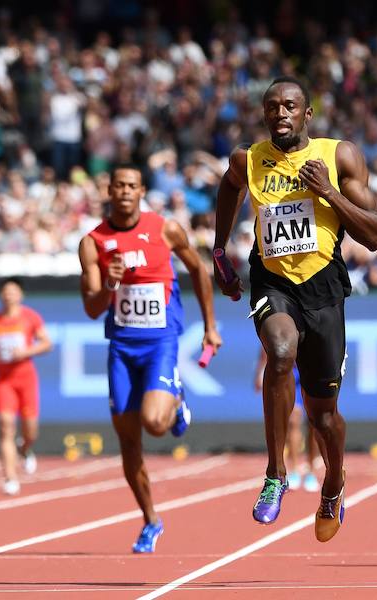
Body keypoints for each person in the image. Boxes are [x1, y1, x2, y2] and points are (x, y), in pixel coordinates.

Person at [213, 76, 377, 542]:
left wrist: (329, 192)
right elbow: (230, 188)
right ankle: (275, 473)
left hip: (324, 287)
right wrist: (218, 249)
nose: (280, 114)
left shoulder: (340, 155)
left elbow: (374, 234)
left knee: (324, 416)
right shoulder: (248, 159)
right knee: (280, 351)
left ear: (307, 114)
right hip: (273, 279)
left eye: (290, 106)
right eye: (272, 107)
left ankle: (334, 481)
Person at [78, 165, 221, 553]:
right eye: (118, 185)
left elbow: (198, 270)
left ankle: (175, 407)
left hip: (161, 342)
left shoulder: (165, 228)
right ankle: (150, 520)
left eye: (132, 186)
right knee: (129, 443)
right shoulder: (93, 242)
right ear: (109, 190)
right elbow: (91, 308)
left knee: (154, 422)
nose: (125, 191)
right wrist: (110, 283)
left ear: (141, 190)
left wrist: (210, 325)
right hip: (122, 349)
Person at [0, 277, 52, 496]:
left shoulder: (30, 317)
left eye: (13, 291)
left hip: (26, 378)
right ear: (0, 295)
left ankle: (25, 448)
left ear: (20, 295)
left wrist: (26, 352)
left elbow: (46, 343)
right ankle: (10, 477)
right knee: (5, 426)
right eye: (5, 291)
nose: (9, 295)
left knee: (30, 429)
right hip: (4, 380)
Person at [255, 348, 321, 493]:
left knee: (314, 424)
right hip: (292, 372)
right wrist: (260, 371)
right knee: (293, 421)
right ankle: (295, 470)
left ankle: (311, 471)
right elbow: (268, 343)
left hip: (313, 372)